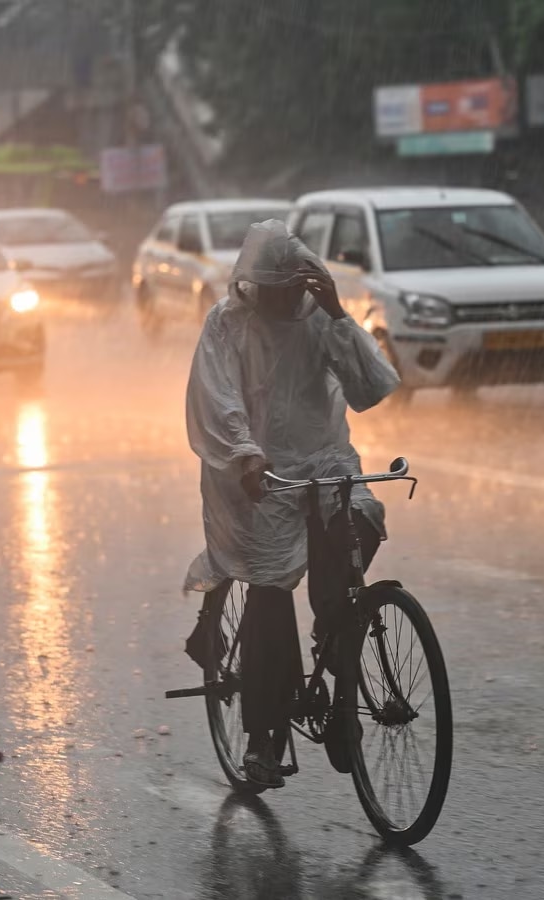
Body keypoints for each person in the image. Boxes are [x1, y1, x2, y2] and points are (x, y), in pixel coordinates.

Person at [184, 220, 399, 788]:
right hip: (254, 472)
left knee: (360, 535)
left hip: (324, 461)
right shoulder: (227, 324)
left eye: (297, 287)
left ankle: (335, 662)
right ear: (253, 286)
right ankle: (262, 737)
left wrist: (338, 315)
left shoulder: (318, 319)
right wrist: (247, 453)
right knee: (271, 593)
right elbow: (219, 396)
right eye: (278, 289)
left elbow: (371, 389)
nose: (289, 299)